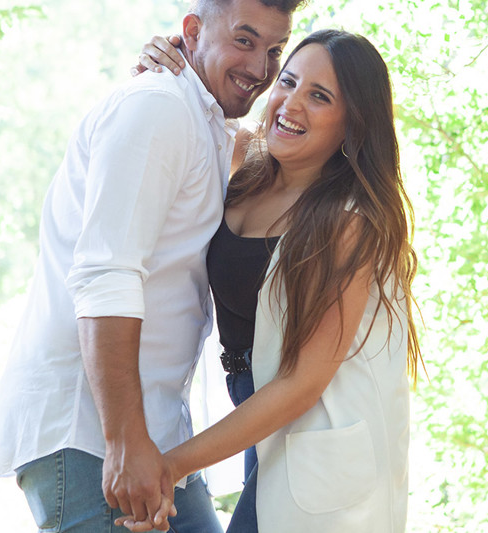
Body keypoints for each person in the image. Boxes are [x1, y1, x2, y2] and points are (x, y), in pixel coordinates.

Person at [0, 0, 305, 533]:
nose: (261, 67)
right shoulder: (157, 108)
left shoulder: (207, 123)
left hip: (157, 432)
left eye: (274, 49)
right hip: (89, 432)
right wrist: (124, 439)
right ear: (191, 30)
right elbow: (106, 274)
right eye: (244, 39)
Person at [130, 29, 420, 532]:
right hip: (255, 417)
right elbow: (183, 117)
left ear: (353, 124)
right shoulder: (246, 163)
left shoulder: (349, 221)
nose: (291, 103)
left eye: (320, 96)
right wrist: (165, 63)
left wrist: (173, 464)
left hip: (318, 430)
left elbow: (302, 382)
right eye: (288, 81)